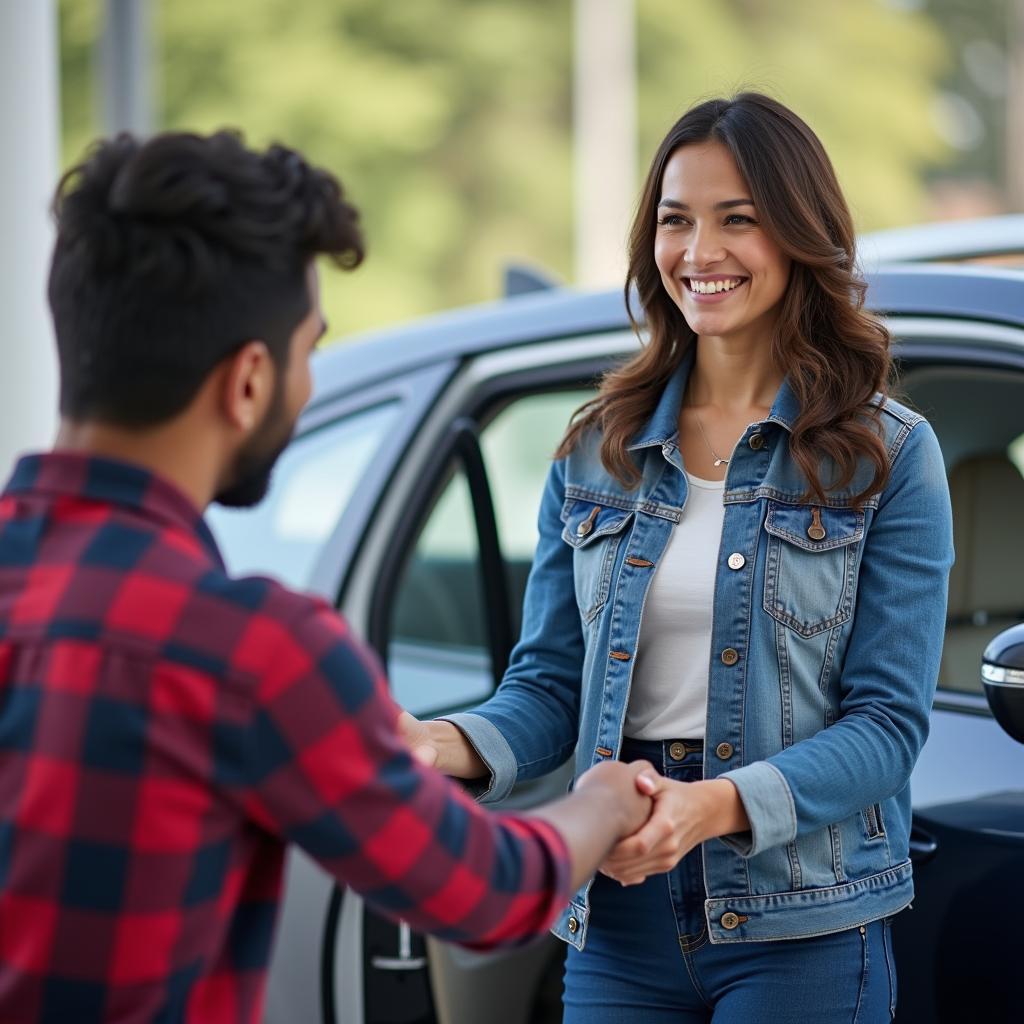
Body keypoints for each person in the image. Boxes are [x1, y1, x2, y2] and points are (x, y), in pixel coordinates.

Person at [0, 130, 657, 1024]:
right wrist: (604, 803)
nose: (309, 381)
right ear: (248, 381)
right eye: (311, 348)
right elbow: (486, 893)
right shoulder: (248, 650)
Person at [401, 92, 955, 1022]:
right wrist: (439, 743)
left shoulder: (887, 457)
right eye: (675, 221)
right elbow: (548, 687)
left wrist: (710, 807)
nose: (699, 252)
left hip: (802, 925)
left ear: (798, 233)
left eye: (737, 220)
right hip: (619, 922)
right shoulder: (596, 450)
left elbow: (887, 729)